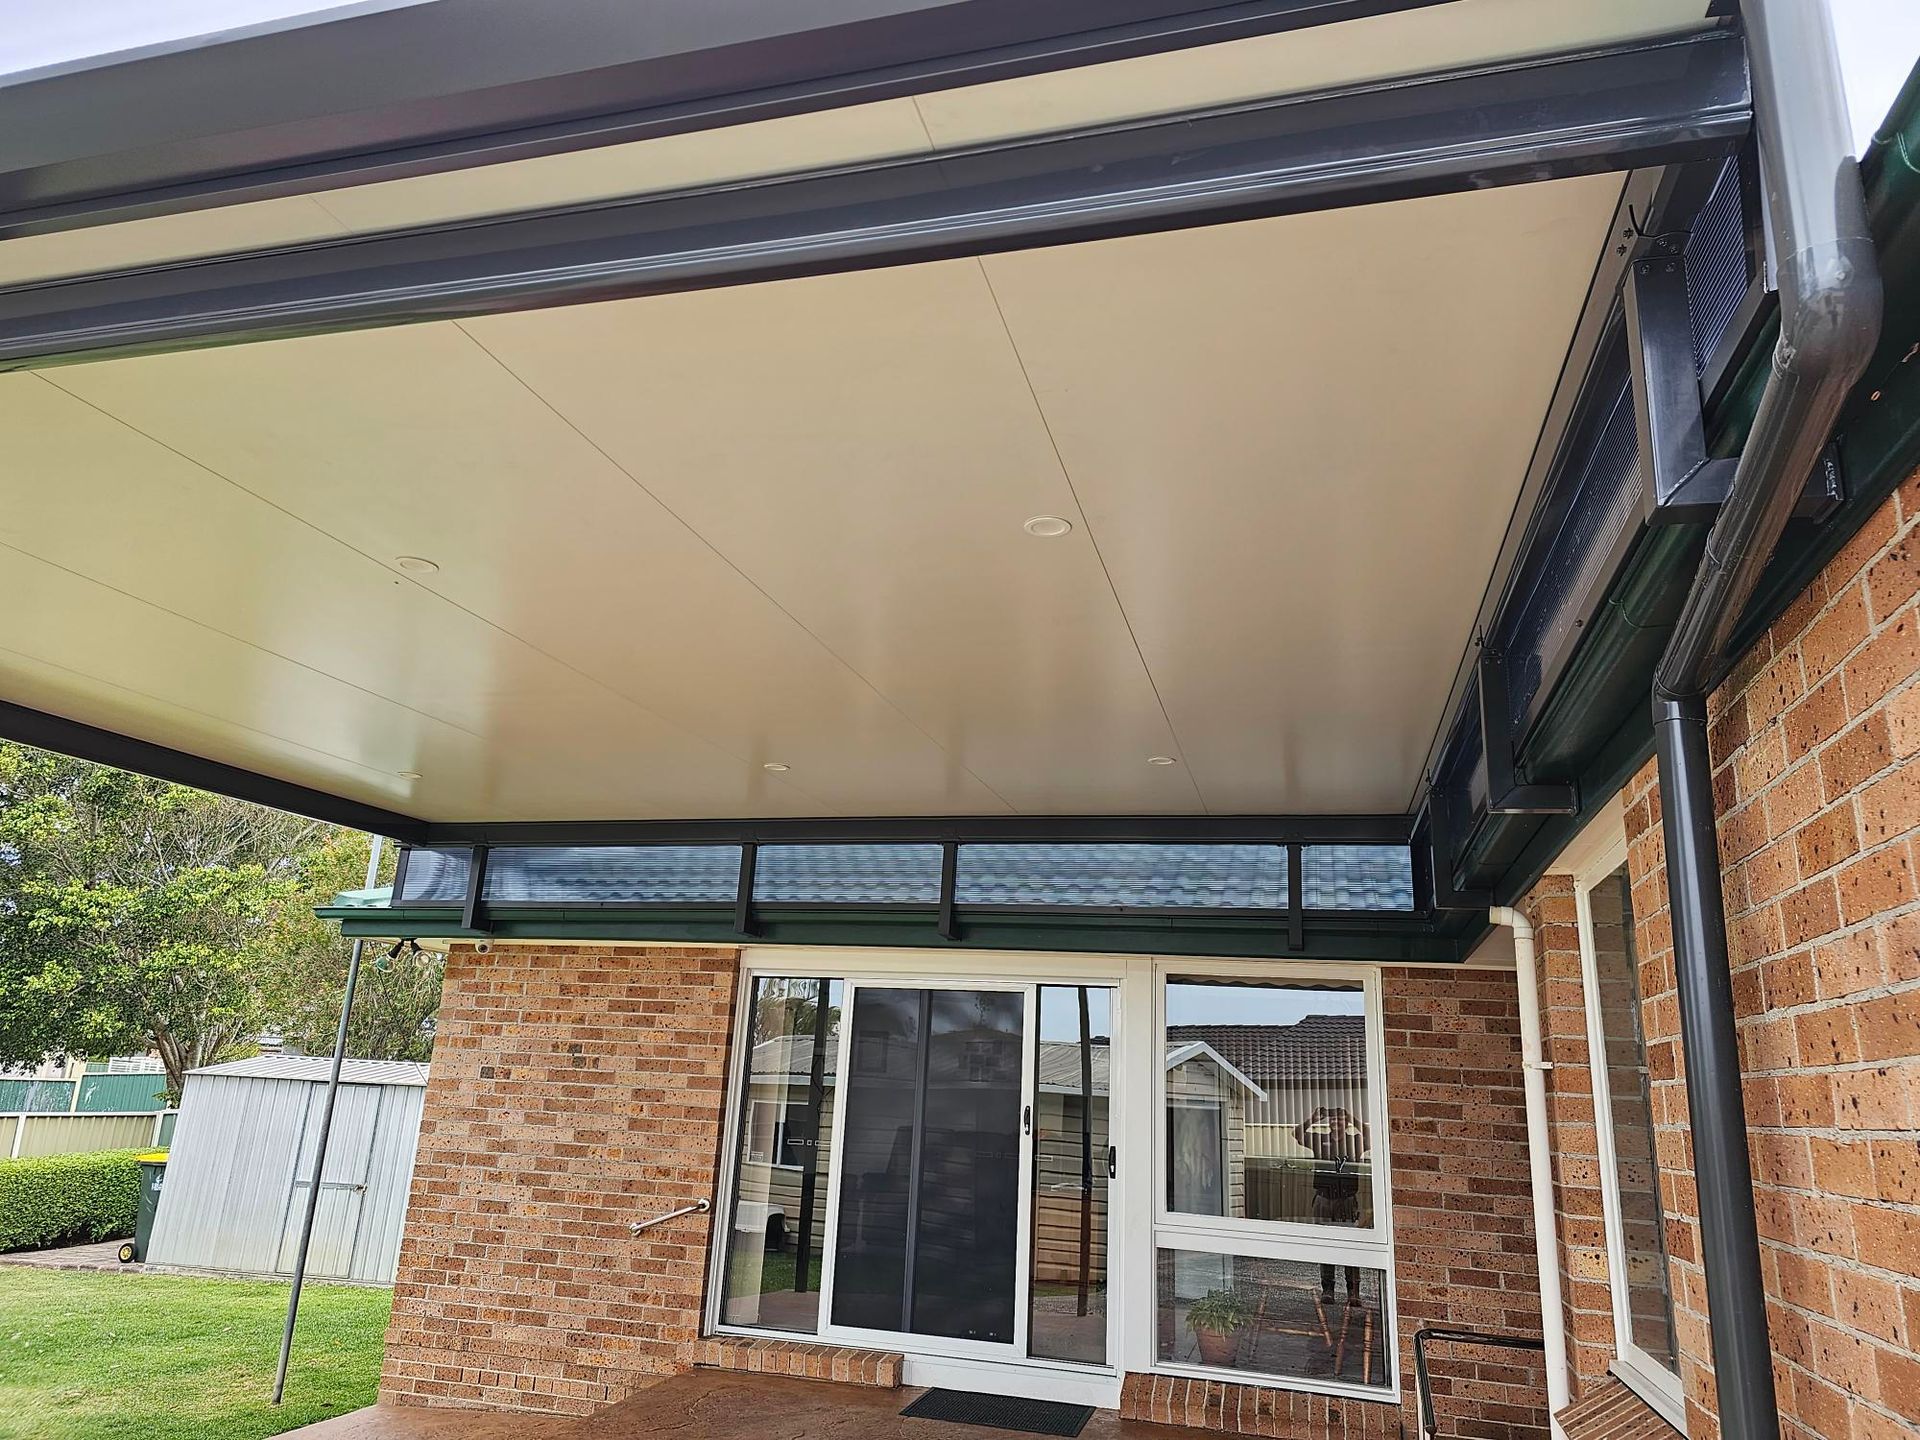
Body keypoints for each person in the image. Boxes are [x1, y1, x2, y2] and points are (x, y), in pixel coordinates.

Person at [1293, 1105, 1370, 1304]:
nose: (1337, 1122)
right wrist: (1313, 1118)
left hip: (1346, 1199)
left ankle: (1353, 1291)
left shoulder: (1355, 1141)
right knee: (1326, 1243)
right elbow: (1297, 1134)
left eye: (1341, 1119)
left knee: (1350, 1245)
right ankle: (1328, 1289)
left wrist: (1353, 1118)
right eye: (1333, 1119)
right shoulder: (1320, 1140)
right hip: (1324, 1198)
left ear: (1346, 1123)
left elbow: (1372, 1136)